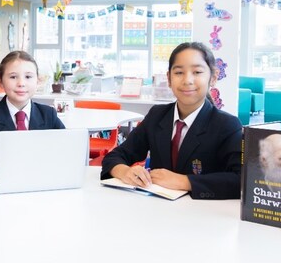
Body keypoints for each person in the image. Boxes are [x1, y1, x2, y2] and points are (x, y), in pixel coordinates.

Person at [101, 42, 242, 199]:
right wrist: (124, 171)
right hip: (158, 207)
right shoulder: (157, 115)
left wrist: (185, 181)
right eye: (179, 72)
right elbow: (116, 155)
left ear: (213, 78)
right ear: (168, 78)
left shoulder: (227, 125)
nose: (187, 80)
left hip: (202, 210)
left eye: (197, 72)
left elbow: (241, 180)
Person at [0, 51, 65, 181]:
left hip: (41, 184)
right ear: (0, 81)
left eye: (28, 77)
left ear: (38, 80)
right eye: (13, 77)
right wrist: (14, 169)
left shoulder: (48, 114)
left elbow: (66, 151)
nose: (21, 83)